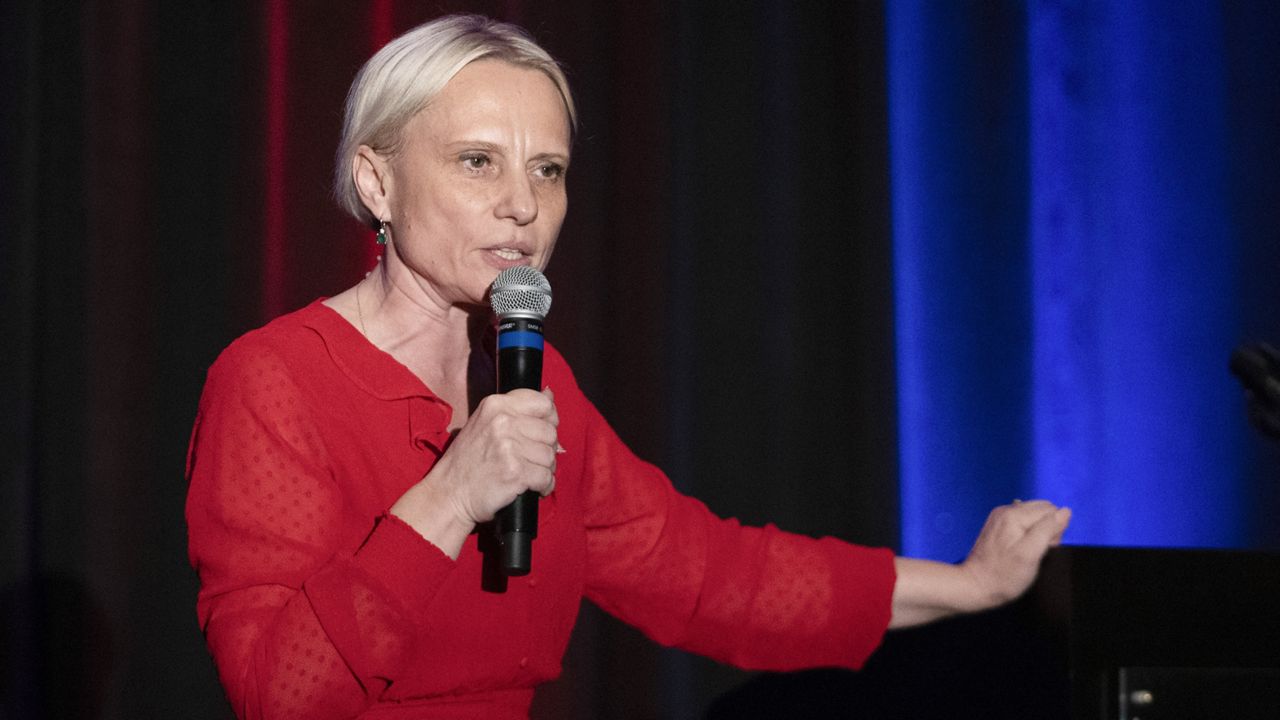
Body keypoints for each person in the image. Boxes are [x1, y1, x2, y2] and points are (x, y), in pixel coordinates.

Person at [185, 14, 1071, 720]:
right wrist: (451, 497)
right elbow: (278, 696)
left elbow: (710, 577)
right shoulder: (275, 380)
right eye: (477, 162)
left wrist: (969, 586)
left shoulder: (533, 377)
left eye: (549, 169)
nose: (523, 205)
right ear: (377, 184)